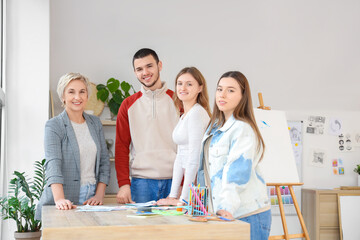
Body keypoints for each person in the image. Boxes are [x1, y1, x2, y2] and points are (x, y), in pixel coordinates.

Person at [197, 71, 271, 240]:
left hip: (246, 214)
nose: (222, 95)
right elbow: (204, 173)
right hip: (222, 214)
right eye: (219, 89)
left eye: (230, 90)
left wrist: (226, 208)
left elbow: (237, 173)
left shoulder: (242, 128)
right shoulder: (213, 128)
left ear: (242, 96)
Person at [36, 73, 110, 219]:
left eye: (82, 92)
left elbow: (104, 161)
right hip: (64, 197)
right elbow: (53, 164)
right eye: (71, 92)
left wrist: (99, 195)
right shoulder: (54, 125)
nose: (78, 97)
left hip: (91, 199)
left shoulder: (95, 123)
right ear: (63, 97)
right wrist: (60, 199)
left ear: (87, 96)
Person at [115, 48, 179, 204]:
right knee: (141, 229)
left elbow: (190, 145)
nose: (145, 72)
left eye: (149, 66)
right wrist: (124, 183)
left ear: (160, 65)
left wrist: (185, 182)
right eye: (139, 69)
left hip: (175, 181)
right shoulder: (128, 105)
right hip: (141, 183)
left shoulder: (178, 101)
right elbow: (121, 146)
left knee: (176, 229)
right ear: (135, 72)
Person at [157, 67, 211, 206]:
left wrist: (183, 200)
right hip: (190, 185)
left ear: (200, 88)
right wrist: (172, 196)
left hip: (197, 184)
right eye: (180, 83)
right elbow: (180, 157)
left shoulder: (196, 114)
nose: (183, 88)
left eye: (189, 84)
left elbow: (194, 157)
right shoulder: (185, 116)